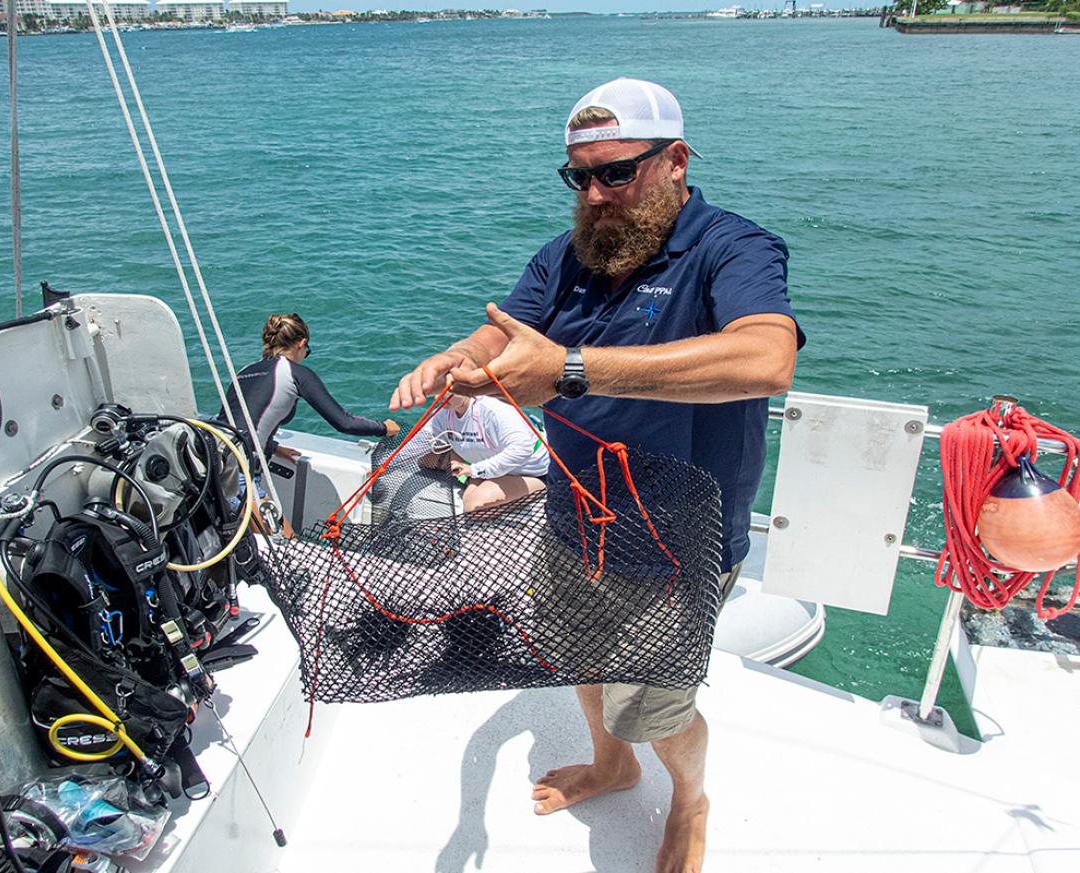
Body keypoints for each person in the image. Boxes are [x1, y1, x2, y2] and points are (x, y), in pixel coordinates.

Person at [389, 77, 804, 873]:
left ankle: (690, 799)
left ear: (676, 161)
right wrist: (457, 359)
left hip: (677, 535)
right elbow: (503, 333)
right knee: (580, 656)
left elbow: (767, 357)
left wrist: (572, 368)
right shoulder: (566, 257)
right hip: (574, 515)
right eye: (579, 176)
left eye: (617, 172)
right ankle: (613, 766)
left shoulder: (731, 247)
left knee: (654, 706)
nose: (596, 193)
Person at [222, 312, 399, 472]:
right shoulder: (295, 373)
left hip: (212, 453)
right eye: (307, 351)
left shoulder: (245, 371)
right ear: (302, 343)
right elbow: (344, 422)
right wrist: (383, 428)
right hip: (238, 467)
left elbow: (243, 420)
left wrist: (272, 447)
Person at [414, 393, 550, 512]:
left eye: (446, 389)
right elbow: (416, 445)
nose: (438, 397)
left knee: (473, 506)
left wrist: (475, 470)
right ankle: (481, 478)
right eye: (435, 390)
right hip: (484, 463)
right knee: (425, 460)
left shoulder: (493, 408)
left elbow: (522, 449)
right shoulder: (444, 413)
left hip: (527, 471)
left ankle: (545, 486)